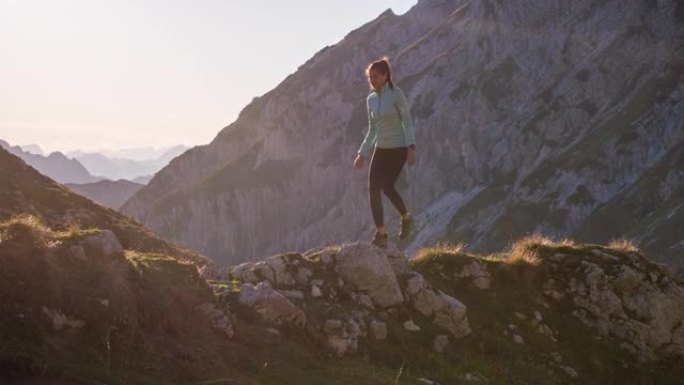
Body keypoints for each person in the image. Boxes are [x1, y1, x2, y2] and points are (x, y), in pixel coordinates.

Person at [354, 57, 417, 247]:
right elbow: (372, 129)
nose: (372, 80)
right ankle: (381, 234)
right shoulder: (371, 99)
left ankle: (406, 217)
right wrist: (362, 153)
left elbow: (407, 121)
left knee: (387, 187)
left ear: (385, 76)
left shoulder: (396, 94)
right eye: (370, 77)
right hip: (380, 149)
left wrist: (411, 147)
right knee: (373, 190)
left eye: (375, 77)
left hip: (398, 149)